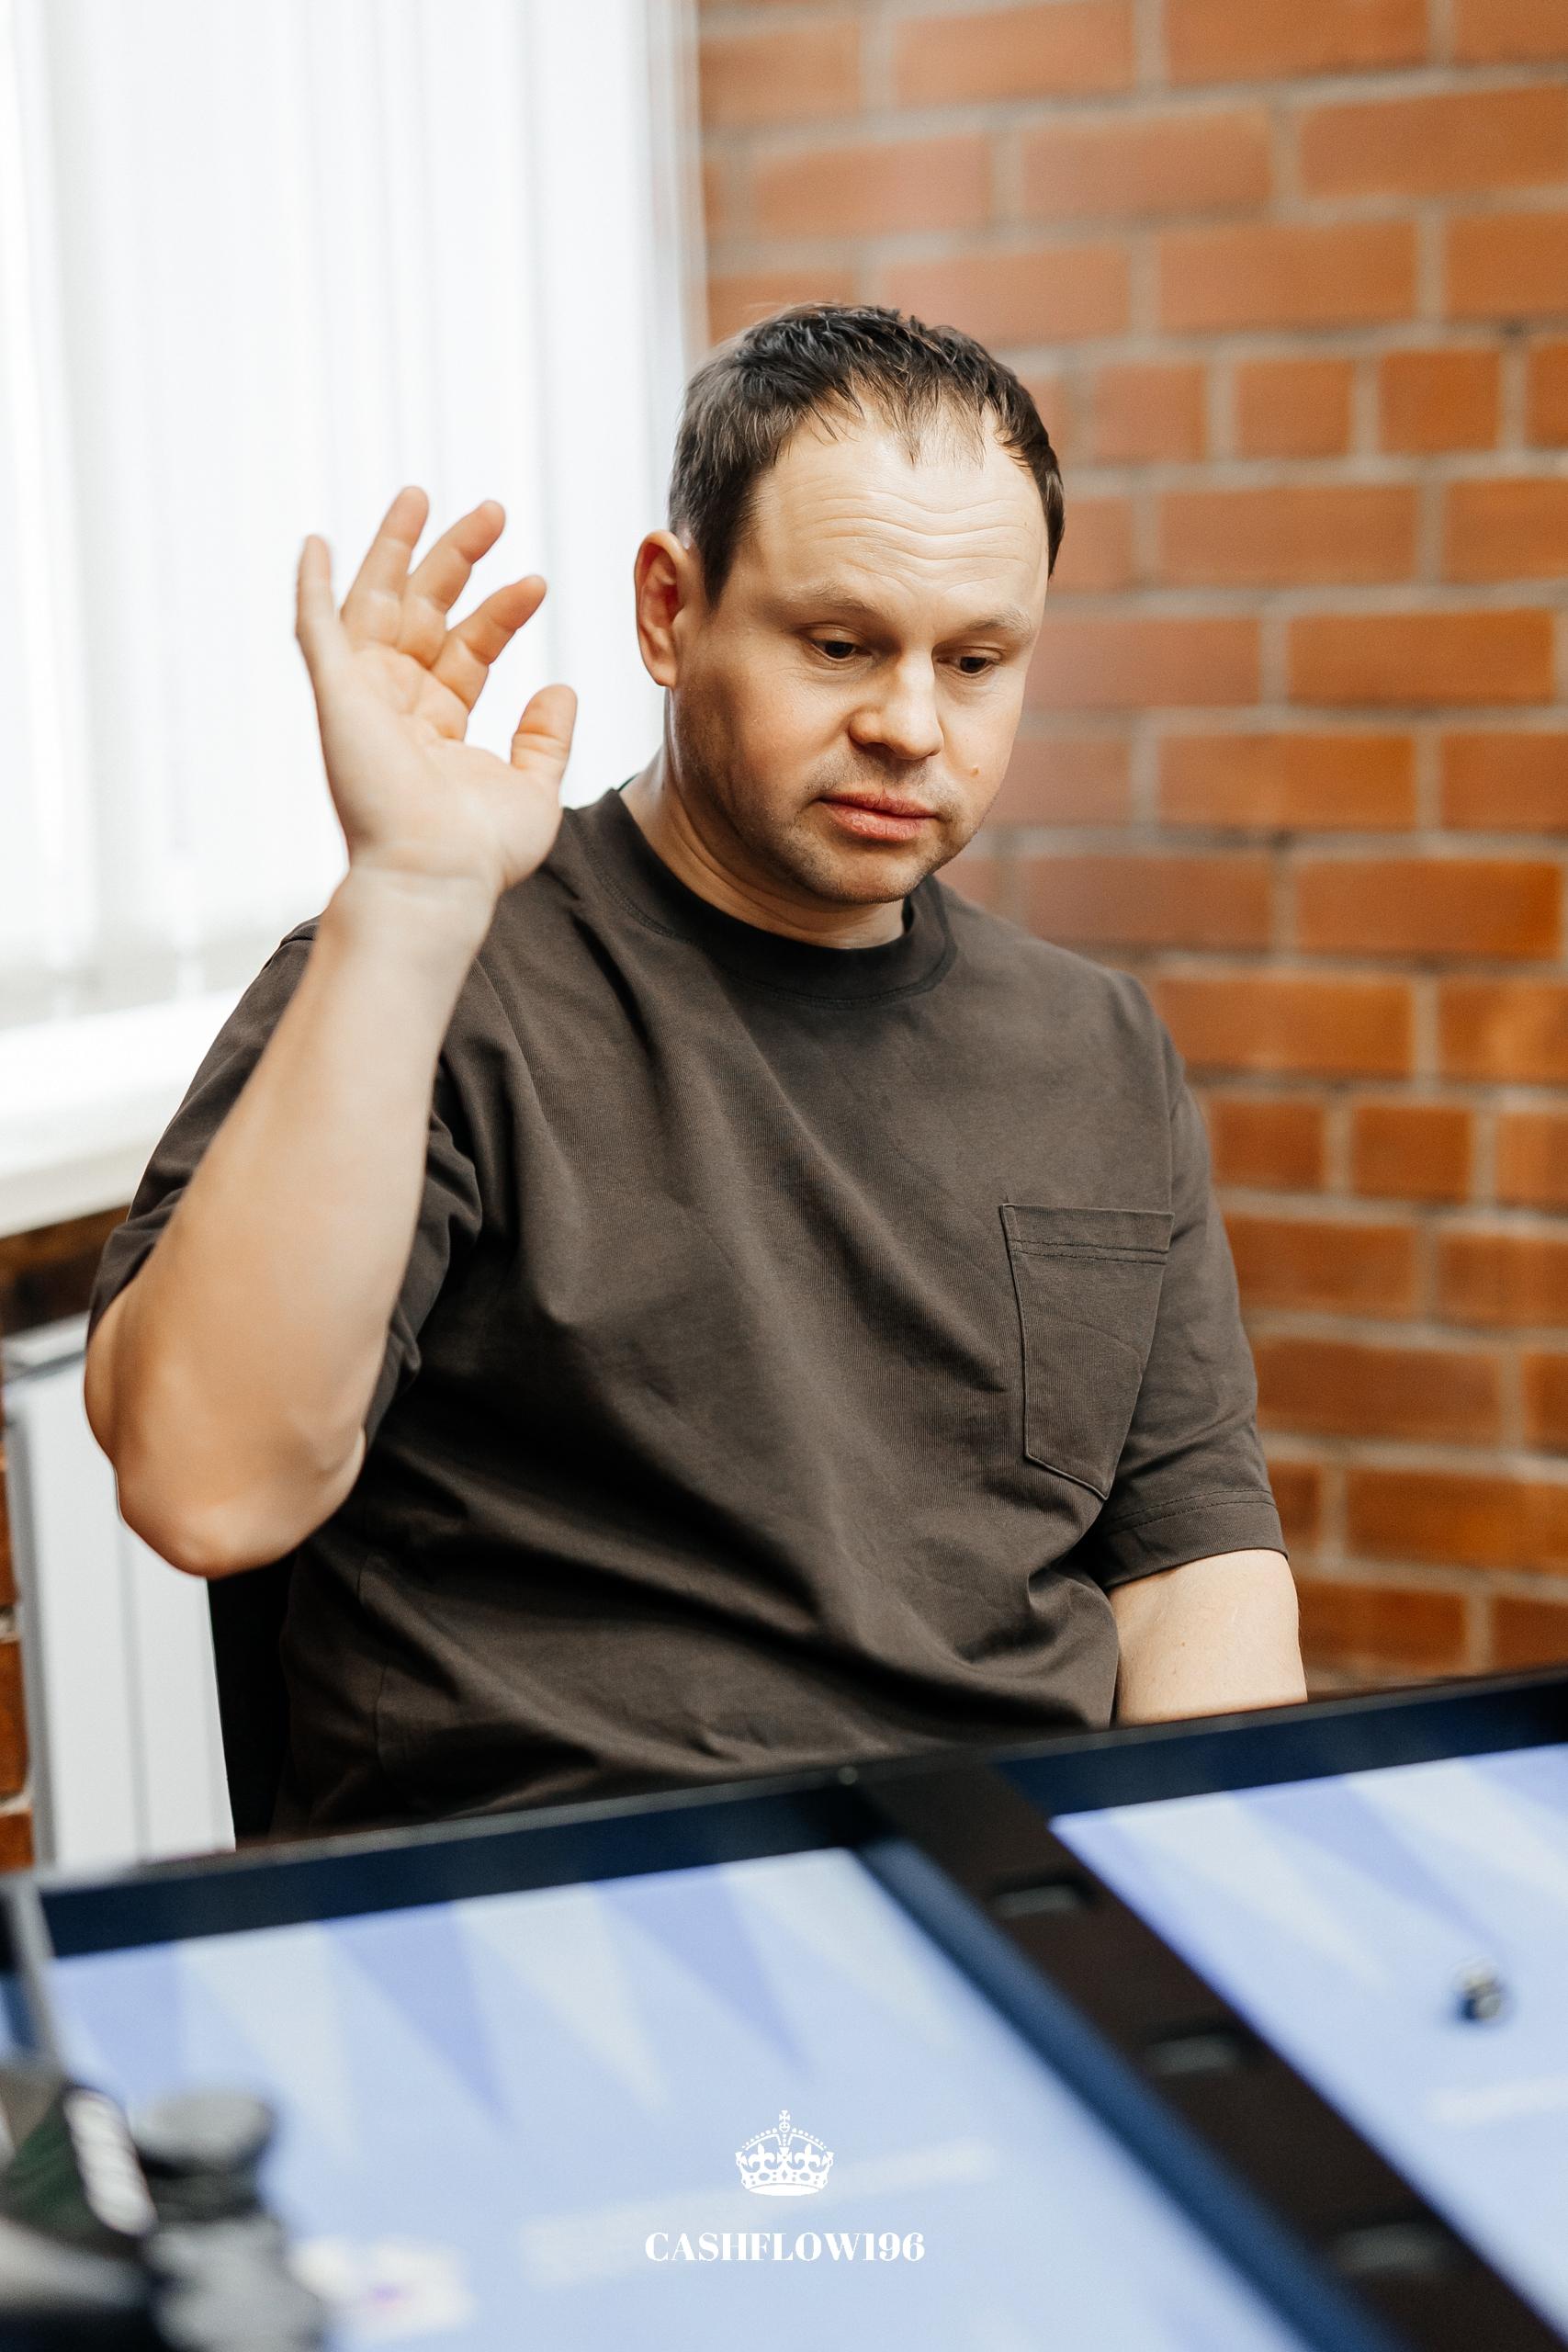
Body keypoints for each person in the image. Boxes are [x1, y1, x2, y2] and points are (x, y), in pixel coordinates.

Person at [84, 303, 1305, 1838]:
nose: (910, 725)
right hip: (565, 1905)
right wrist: (408, 896)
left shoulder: (1095, 1051)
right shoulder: (439, 975)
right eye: (840, 645)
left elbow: (1193, 1572)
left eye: (977, 661)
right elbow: (204, 1487)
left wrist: (1213, 1895)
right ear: (670, 611)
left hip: (988, 1889)